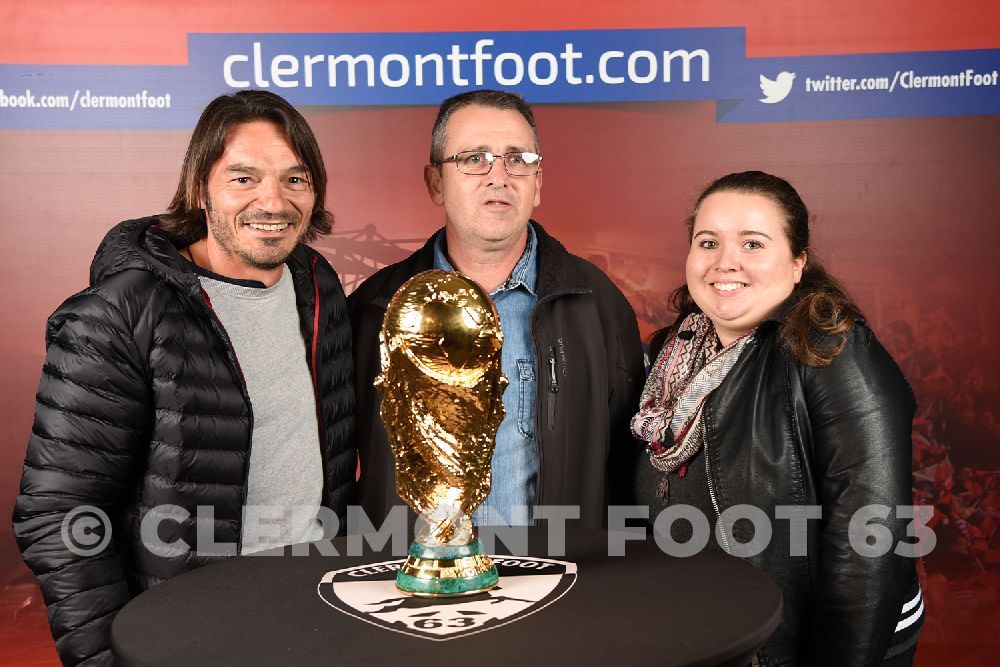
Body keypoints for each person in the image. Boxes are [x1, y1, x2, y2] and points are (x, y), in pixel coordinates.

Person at [12, 90, 356, 665]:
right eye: (243, 179)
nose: (273, 202)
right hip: (190, 631)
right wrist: (112, 658)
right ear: (201, 187)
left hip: (316, 614)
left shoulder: (316, 287)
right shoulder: (118, 315)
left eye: (295, 180)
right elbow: (60, 514)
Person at [631, 171, 922, 665]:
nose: (726, 262)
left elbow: (872, 540)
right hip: (710, 635)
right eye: (708, 242)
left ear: (797, 263)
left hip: (798, 648)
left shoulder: (832, 352)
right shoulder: (675, 354)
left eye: (753, 243)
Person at [349, 90, 644, 530]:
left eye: (518, 159)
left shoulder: (597, 303)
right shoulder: (374, 308)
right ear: (435, 183)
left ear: (538, 183)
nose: (498, 176)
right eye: (473, 158)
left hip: (560, 583)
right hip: (411, 584)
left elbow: (629, 466)